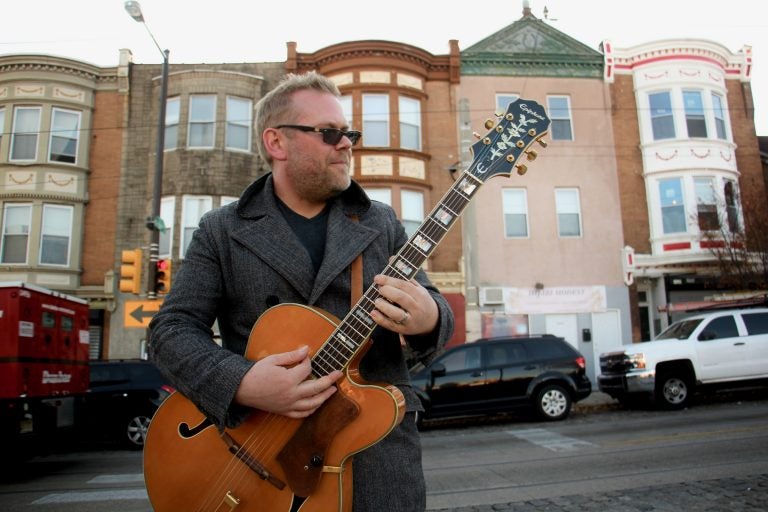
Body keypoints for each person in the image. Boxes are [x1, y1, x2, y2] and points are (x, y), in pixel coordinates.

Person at [148, 71, 454, 512]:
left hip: (375, 466)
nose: (346, 143)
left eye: (348, 133)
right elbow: (170, 330)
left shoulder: (380, 222)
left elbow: (433, 313)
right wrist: (244, 383)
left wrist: (428, 318)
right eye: (329, 133)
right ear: (277, 143)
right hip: (255, 458)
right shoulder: (222, 230)